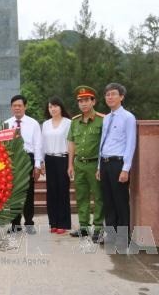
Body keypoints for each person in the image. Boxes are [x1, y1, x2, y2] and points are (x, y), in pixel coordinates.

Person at [96, 83, 136, 246]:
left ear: (121, 97)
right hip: (105, 163)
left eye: (113, 94)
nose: (110, 97)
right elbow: (102, 143)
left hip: (118, 164)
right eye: (107, 95)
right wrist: (99, 166)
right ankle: (111, 235)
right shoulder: (106, 118)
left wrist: (126, 169)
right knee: (108, 201)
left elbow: (130, 144)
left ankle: (123, 236)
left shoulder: (128, 117)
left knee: (120, 201)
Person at [67, 86, 105, 242]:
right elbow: (71, 143)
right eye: (80, 101)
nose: (83, 104)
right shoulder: (75, 122)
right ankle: (83, 227)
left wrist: (100, 166)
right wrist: (70, 164)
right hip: (79, 163)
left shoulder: (102, 120)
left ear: (93, 101)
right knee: (81, 196)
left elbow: (105, 144)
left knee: (98, 197)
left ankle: (98, 228)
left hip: (94, 164)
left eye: (86, 100)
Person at [4, 95, 42, 234]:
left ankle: (29, 223)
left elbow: (38, 145)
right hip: (12, 160)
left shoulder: (33, 123)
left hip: (28, 158)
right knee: (13, 193)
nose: (17, 108)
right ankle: (15, 224)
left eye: (20, 105)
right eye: (14, 105)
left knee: (28, 193)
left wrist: (37, 165)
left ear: (25, 107)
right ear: (11, 107)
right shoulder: (6, 124)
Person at [41, 97, 72, 234]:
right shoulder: (45, 124)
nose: (53, 109)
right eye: (50, 107)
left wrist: (71, 164)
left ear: (61, 107)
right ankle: (53, 222)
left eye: (55, 106)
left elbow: (71, 144)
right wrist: (41, 161)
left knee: (63, 191)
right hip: (49, 159)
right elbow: (42, 144)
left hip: (62, 159)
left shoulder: (68, 123)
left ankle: (63, 223)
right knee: (51, 192)